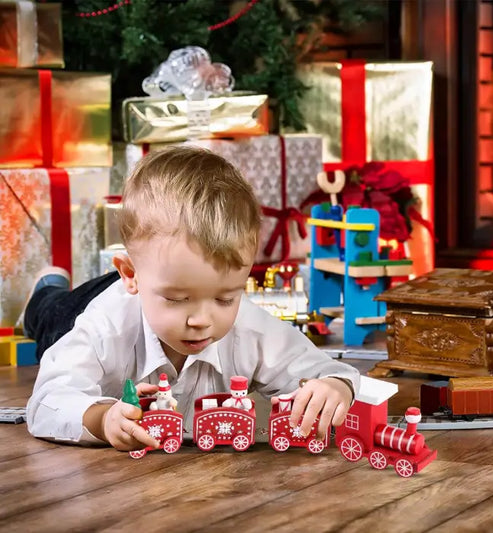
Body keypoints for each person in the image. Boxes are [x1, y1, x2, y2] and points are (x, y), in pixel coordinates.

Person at [25, 145, 360, 452]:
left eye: (225, 298)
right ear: (131, 275)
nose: (202, 319)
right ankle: (47, 288)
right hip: (82, 306)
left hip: (148, 282)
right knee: (49, 313)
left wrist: (334, 386)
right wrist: (101, 419)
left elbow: (327, 370)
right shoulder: (104, 327)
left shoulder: (251, 328)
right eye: (177, 299)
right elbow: (47, 400)